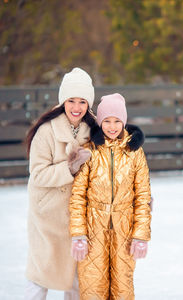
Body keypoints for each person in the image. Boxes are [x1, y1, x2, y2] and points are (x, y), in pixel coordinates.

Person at [69, 93, 152, 300]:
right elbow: (78, 195)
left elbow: (143, 195)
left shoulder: (135, 153)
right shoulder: (90, 151)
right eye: (107, 121)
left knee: (123, 285)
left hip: (124, 228)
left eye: (117, 121)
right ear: (100, 122)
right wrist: (78, 234)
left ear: (124, 122)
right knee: (92, 284)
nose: (112, 126)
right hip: (92, 228)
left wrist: (140, 235)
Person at [24, 67, 96, 300]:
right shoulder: (46, 131)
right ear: (63, 101)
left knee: (77, 277)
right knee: (41, 274)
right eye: (71, 100)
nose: (76, 107)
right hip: (48, 215)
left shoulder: (93, 131)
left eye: (82, 101)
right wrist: (70, 168)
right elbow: (38, 174)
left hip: (78, 216)